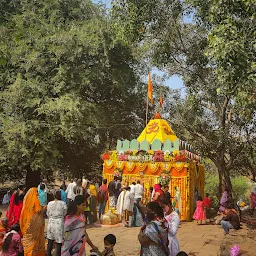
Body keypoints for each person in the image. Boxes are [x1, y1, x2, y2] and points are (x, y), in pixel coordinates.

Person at [20, 187, 45, 256]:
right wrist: (45, 208)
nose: (37, 194)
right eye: (36, 192)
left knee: (28, 243)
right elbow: (39, 210)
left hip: (26, 225)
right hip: (33, 226)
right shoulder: (36, 199)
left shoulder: (26, 203)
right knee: (34, 242)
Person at [46, 190, 67, 256]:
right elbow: (65, 213)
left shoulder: (49, 203)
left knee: (50, 241)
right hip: (59, 223)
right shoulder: (63, 203)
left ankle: (48, 254)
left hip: (51, 223)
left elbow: (48, 213)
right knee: (58, 242)